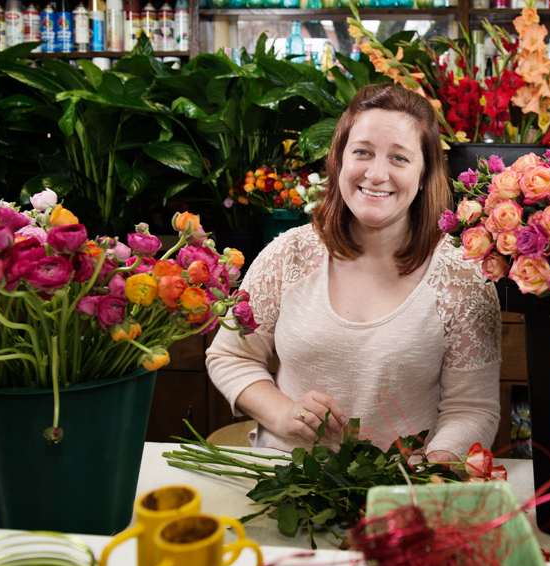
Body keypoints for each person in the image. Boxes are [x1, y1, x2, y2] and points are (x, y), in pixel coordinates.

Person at [206, 83, 501, 464]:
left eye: (399, 158)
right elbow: (230, 356)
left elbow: (473, 409)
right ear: (339, 161)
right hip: (287, 480)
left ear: (426, 173)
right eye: (362, 152)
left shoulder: (463, 277)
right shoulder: (288, 255)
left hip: (404, 493)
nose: (376, 174)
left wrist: (437, 469)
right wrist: (281, 412)